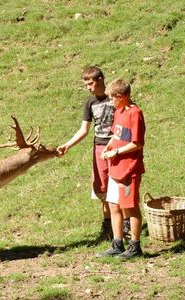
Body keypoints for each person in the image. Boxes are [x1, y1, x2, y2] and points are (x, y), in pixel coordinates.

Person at [58, 66, 128, 241]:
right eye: (86, 85)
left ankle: (126, 224)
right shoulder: (90, 103)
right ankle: (108, 228)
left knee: (120, 185)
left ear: (100, 80)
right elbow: (84, 129)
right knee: (102, 188)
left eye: (90, 83)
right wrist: (68, 145)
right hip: (99, 148)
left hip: (117, 148)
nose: (88, 88)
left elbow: (126, 122)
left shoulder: (114, 98)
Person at [96, 78, 146, 259]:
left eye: (111, 98)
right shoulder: (119, 111)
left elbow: (137, 143)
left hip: (128, 169)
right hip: (115, 168)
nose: (110, 102)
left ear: (121, 96)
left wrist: (116, 152)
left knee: (130, 207)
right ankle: (117, 244)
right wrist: (109, 147)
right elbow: (116, 135)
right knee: (114, 205)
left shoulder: (135, 113)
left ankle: (135, 246)